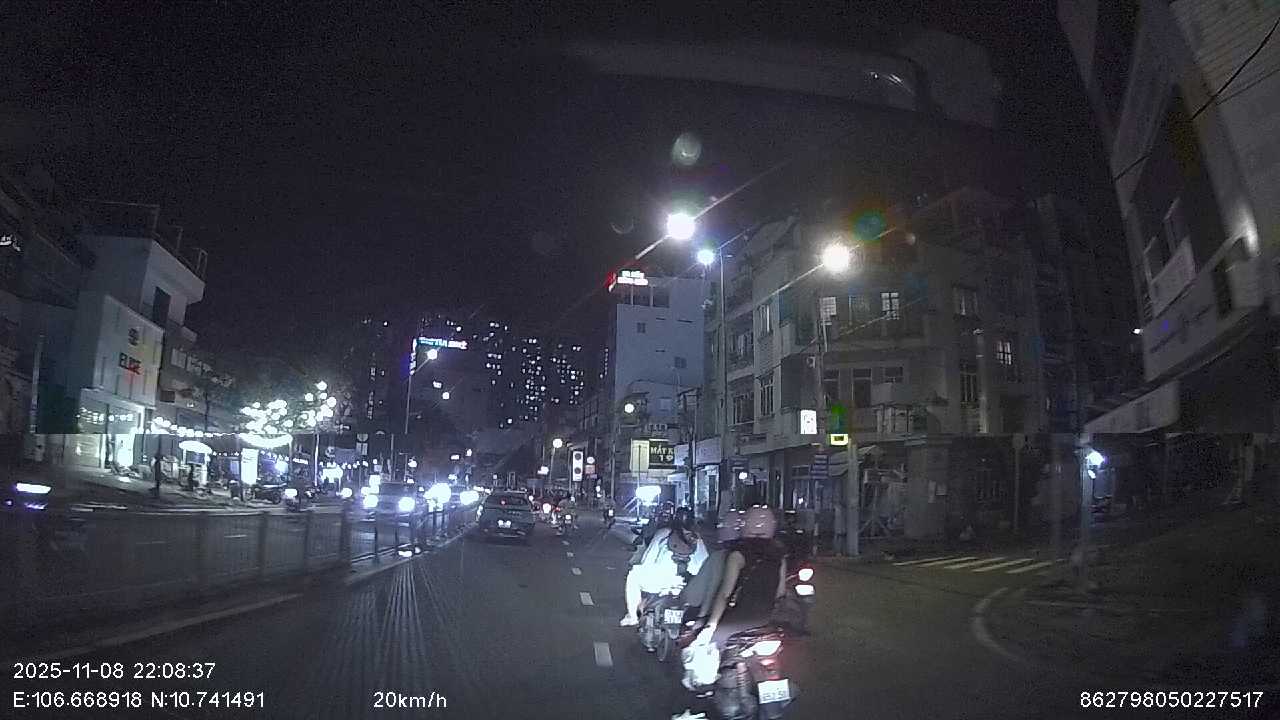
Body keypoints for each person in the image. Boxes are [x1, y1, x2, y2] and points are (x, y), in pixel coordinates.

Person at [694, 505, 788, 648]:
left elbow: (725, 594)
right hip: (765, 620)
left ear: (744, 525)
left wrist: (711, 626)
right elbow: (780, 593)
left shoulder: (737, 556)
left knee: (702, 650)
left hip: (737, 620)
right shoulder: (779, 556)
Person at [620, 507, 708, 626]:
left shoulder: (663, 533)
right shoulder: (698, 540)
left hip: (662, 581)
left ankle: (633, 617)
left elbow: (647, 560)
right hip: (690, 584)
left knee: (633, 575)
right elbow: (705, 565)